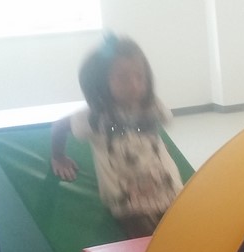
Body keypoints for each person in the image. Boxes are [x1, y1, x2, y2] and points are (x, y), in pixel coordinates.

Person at [50, 34, 184, 238]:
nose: (134, 85)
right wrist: (58, 157)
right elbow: (59, 127)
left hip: (167, 187)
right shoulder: (94, 116)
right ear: (101, 82)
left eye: (140, 76)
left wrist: (161, 150)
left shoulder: (151, 106)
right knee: (147, 241)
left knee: (182, 232)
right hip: (128, 198)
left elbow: (155, 133)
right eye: (123, 78)